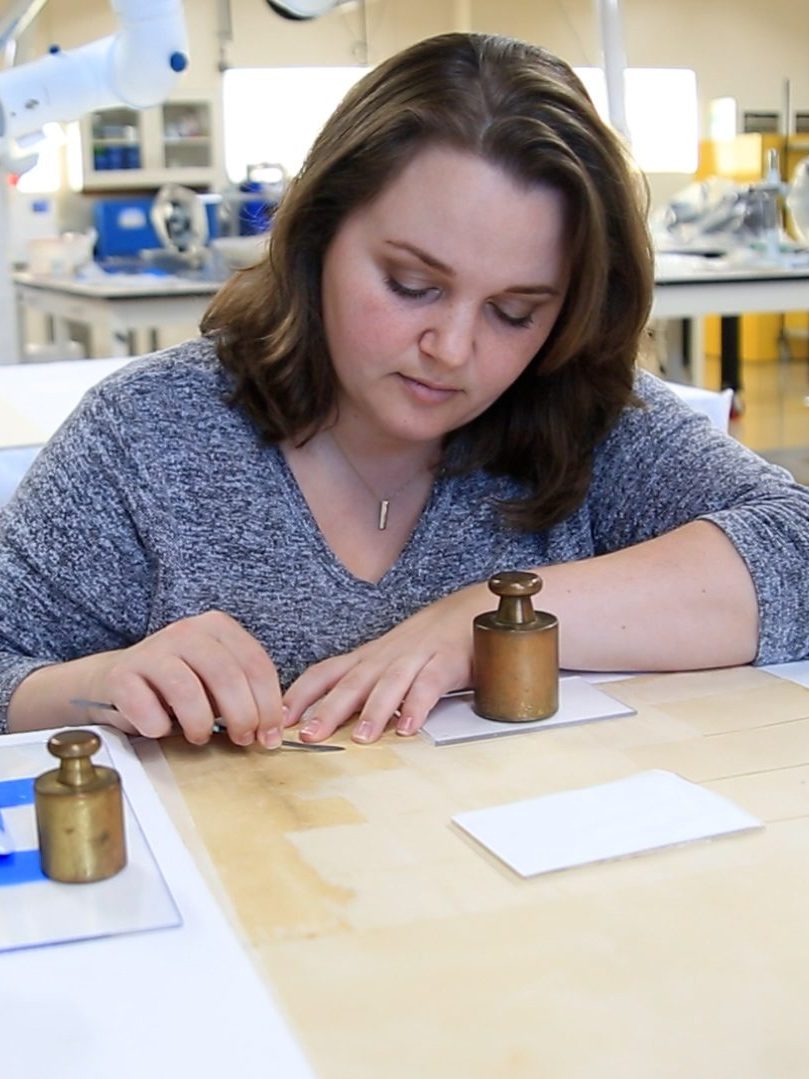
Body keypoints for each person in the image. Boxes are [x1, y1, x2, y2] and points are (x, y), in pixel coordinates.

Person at [1, 32, 808, 749]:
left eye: (514, 312)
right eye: (411, 285)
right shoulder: (150, 436)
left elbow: (794, 551)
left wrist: (487, 620)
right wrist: (98, 684)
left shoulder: (584, 417)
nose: (451, 350)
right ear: (318, 235)